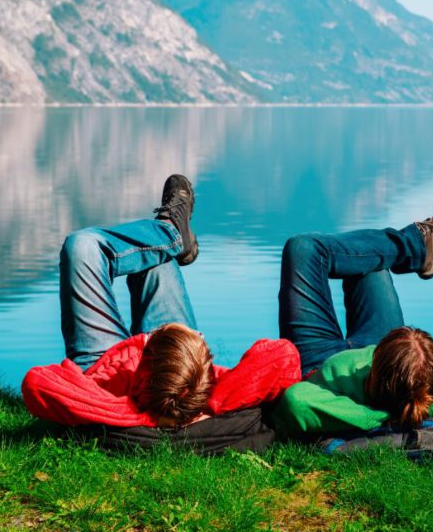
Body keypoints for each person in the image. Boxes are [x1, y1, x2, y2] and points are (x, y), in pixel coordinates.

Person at [22, 175, 301, 428]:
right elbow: (284, 357)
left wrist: (134, 415)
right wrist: (207, 402)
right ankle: (171, 236)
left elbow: (38, 382)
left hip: (102, 365)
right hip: (179, 368)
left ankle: (170, 234)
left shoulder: (109, 391)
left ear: (147, 348)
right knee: (156, 259)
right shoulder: (207, 390)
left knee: (81, 246)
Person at [271, 198, 433, 436]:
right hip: (385, 349)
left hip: (318, 359)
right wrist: (424, 411)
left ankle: (416, 244)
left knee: (304, 248)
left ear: (373, 371)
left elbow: (298, 401)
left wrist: (388, 418)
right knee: (367, 258)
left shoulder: (360, 401)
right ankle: (419, 246)